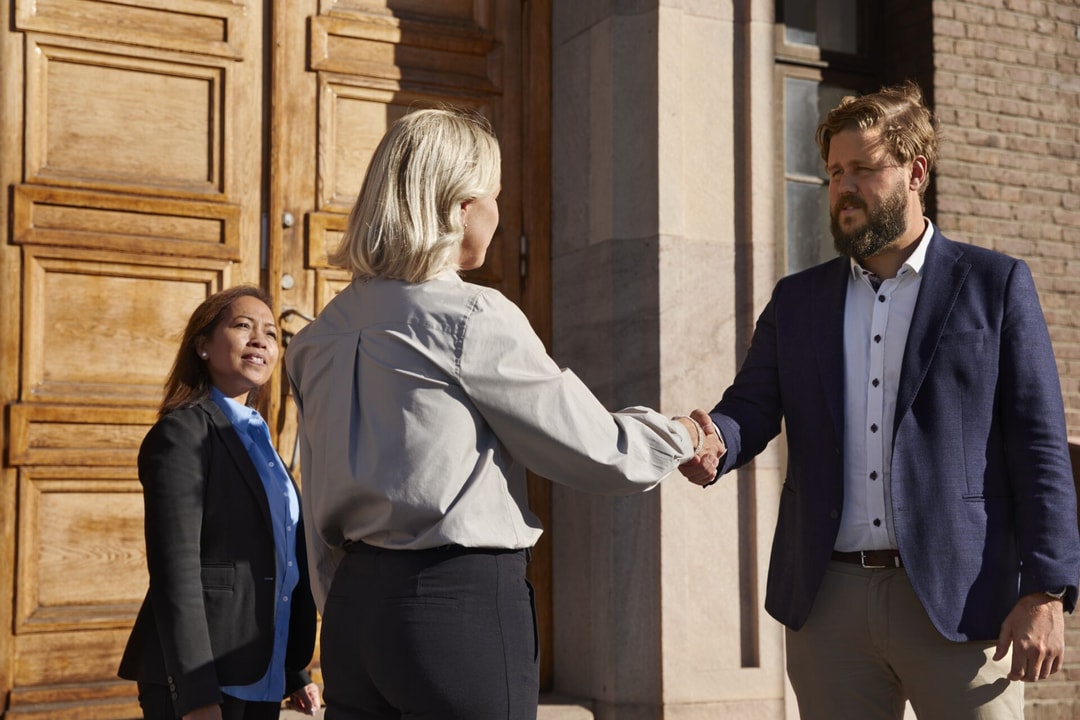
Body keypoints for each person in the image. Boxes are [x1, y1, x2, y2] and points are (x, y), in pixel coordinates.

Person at [285, 107, 721, 720]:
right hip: (453, 608)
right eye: (492, 195)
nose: (497, 211)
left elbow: (318, 495)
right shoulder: (468, 317)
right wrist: (681, 432)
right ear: (460, 207)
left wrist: (348, 601)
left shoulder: (319, 336)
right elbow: (601, 451)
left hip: (356, 614)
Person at [682, 81, 1080, 719]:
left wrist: (1047, 591)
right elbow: (751, 405)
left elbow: (1039, 447)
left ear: (915, 171)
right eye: (835, 172)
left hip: (963, 600)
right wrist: (715, 439)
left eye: (863, 169)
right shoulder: (798, 299)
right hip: (828, 602)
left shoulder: (995, 285)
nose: (843, 188)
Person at [118, 286, 322, 720]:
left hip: (261, 672)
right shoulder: (183, 433)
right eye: (243, 326)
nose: (260, 340)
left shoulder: (260, 440)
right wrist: (194, 695)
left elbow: (278, 561)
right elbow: (177, 572)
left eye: (270, 332)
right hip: (204, 681)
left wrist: (295, 673)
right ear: (203, 346)